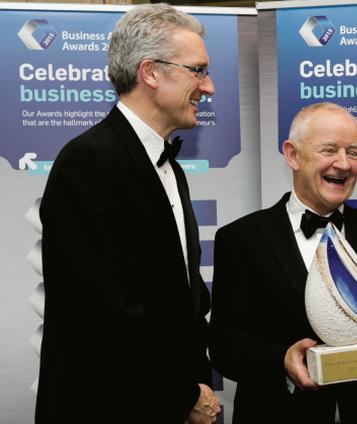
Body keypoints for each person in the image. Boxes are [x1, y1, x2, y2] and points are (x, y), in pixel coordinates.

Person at [36, 4, 220, 423]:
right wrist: (184, 393)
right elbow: (103, 313)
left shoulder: (169, 167)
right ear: (151, 73)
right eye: (198, 70)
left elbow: (181, 301)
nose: (208, 87)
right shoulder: (88, 161)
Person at [209, 102, 357, 423]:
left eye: (353, 152)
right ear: (292, 155)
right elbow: (226, 347)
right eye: (329, 149)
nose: (344, 163)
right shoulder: (241, 239)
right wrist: (283, 359)